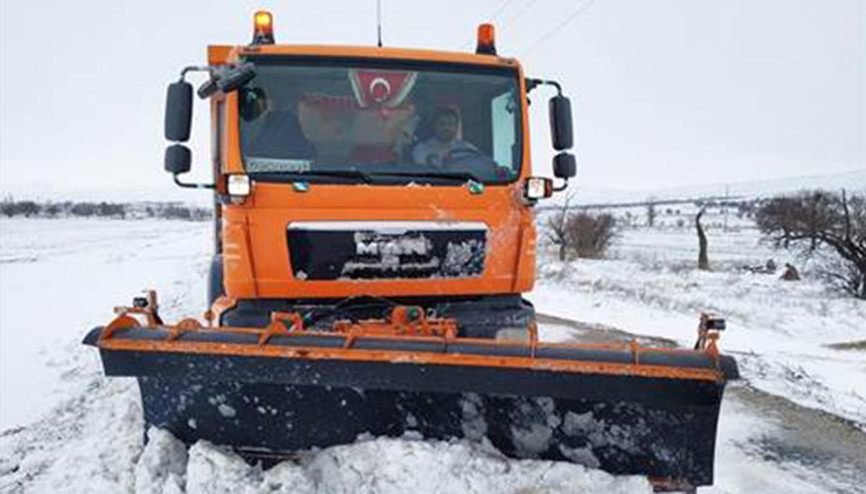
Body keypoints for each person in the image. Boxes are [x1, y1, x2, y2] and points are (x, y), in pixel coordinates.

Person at [412, 107, 479, 166]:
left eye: (450, 124)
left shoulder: (468, 150)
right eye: (442, 124)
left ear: (456, 127)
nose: (446, 128)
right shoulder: (421, 149)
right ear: (434, 126)